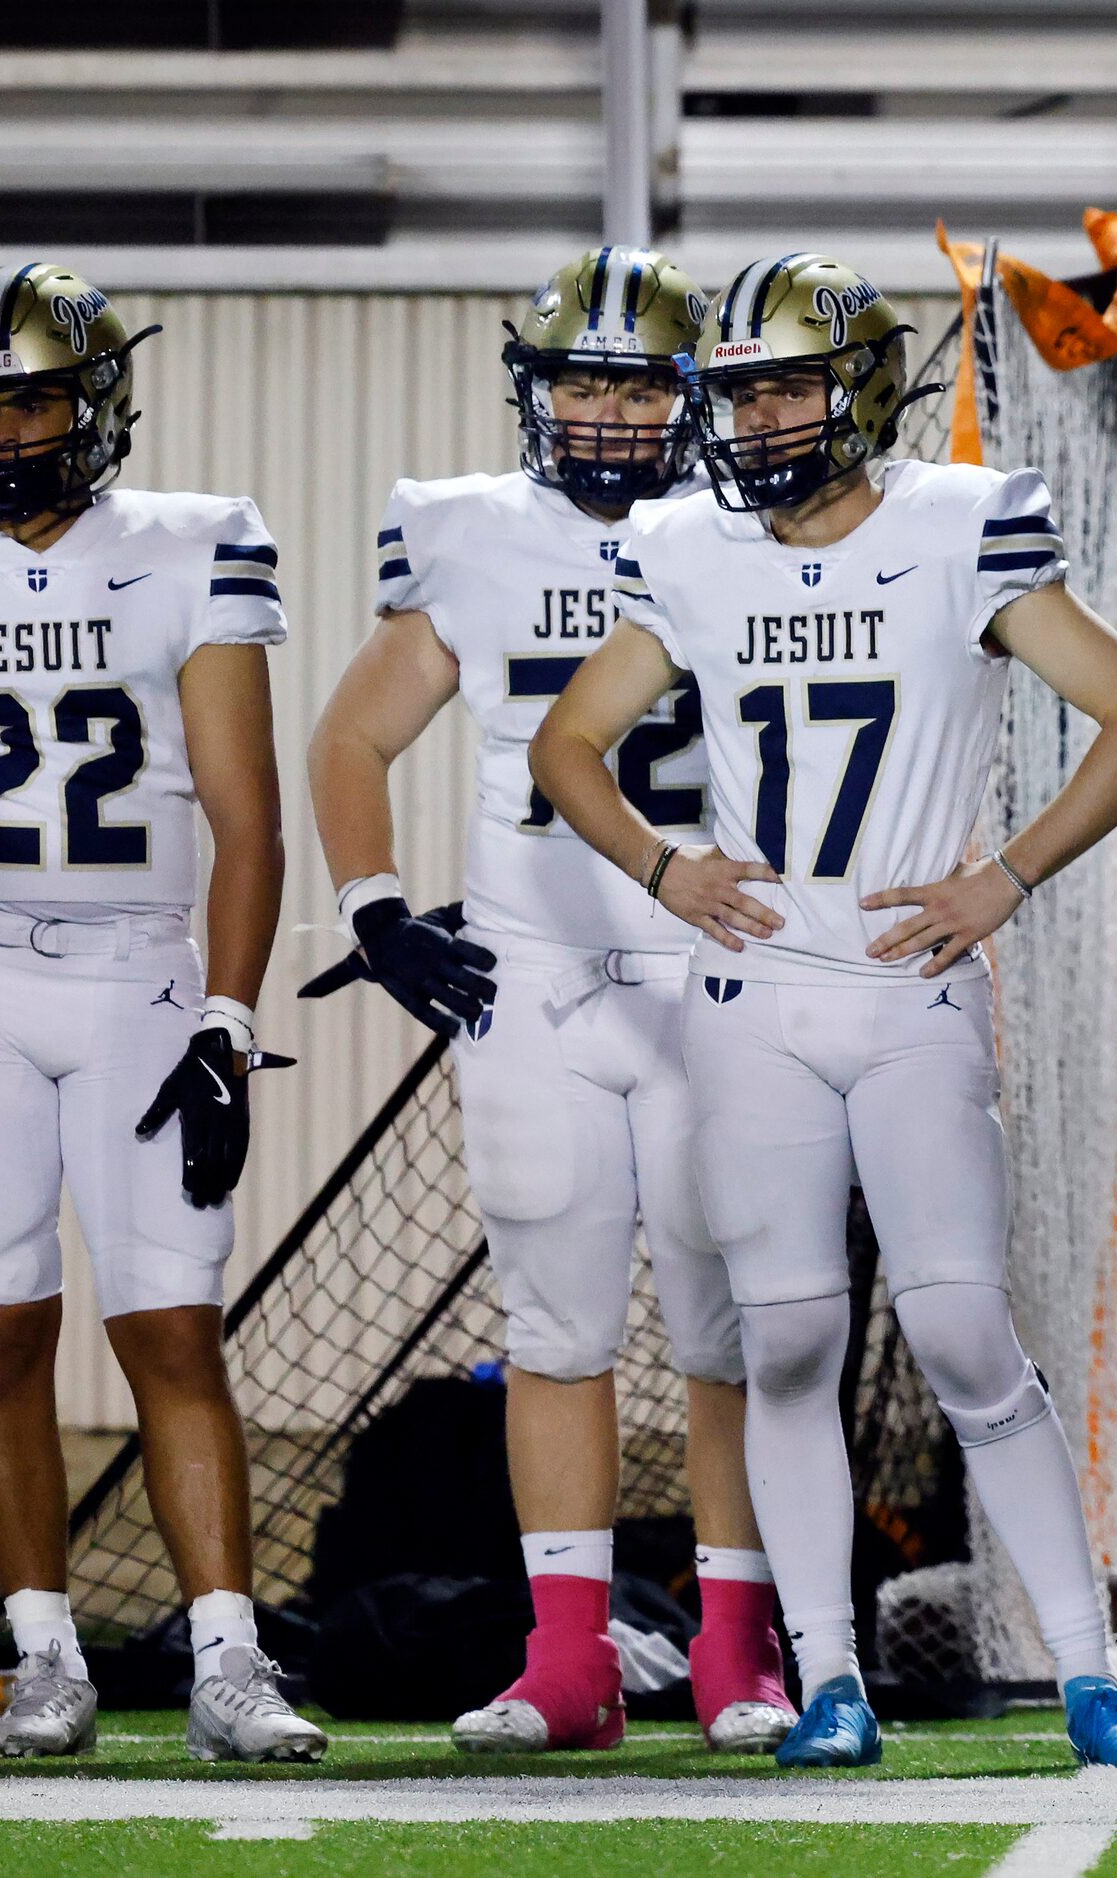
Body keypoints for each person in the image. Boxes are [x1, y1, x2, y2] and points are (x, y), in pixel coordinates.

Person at [532, 253, 1117, 1771]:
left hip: (910, 983)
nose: (755, 417)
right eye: (738, 388)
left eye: (782, 383)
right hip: (754, 990)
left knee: (963, 1327)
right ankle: (828, 1677)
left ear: (860, 386)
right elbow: (571, 744)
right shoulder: (691, 544)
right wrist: (664, 864)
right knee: (785, 1344)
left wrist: (1008, 877)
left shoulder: (965, 522)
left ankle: (1090, 1671)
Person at [0, 265, 323, 1764]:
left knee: (172, 1320)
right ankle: (44, 1654)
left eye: (33, 394)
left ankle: (230, 1657)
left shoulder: (193, 543)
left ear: (98, 402)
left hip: (140, 972)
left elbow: (247, 818)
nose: (6, 428)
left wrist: (227, 1018)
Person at [305, 246, 793, 1756]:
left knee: (732, 1335)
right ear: (531, 392)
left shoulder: (757, 525)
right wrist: (374, 910)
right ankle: (569, 1658)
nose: (602, 412)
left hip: (721, 975)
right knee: (554, 1329)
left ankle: (735, 1649)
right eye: (579, 379)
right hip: (536, 982)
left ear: (689, 398)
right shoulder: (467, 533)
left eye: (636, 383)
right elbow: (349, 739)